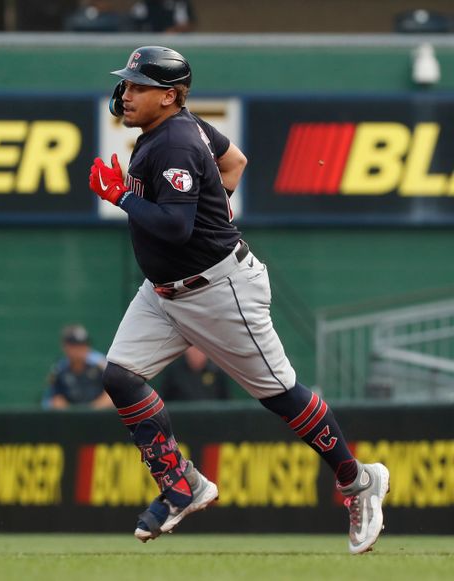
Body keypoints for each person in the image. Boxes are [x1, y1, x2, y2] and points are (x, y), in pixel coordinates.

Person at [88, 46, 389, 554]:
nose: (128, 92)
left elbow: (178, 228)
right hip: (164, 292)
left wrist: (123, 198)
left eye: (139, 85)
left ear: (168, 96)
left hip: (216, 289)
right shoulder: (182, 128)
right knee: (119, 374)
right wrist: (217, 200)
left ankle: (358, 480)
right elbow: (235, 161)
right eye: (129, 83)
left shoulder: (176, 142)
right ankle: (181, 484)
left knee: (282, 396)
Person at [42, 324, 113, 410]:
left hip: (100, 417)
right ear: (65, 347)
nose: (81, 349)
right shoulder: (60, 369)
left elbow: (111, 396)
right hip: (70, 419)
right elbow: (54, 400)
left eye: (84, 345)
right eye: (75, 345)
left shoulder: (101, 365)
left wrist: (91, 411)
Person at [159, 346, 228, 401]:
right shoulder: (173, 371)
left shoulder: (217, 371)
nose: (197, 352)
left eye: (201, 348)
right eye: (193, 347)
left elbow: (226, 401)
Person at [129, 0, 195, 33]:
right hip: (146, 44)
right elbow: (133, 27)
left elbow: (187, 25)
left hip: (172, 45)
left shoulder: (179, 3)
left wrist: (173, 30)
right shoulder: (144, 4)